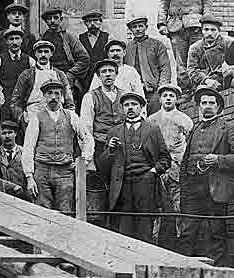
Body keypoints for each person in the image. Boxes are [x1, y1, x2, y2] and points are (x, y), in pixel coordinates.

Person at [99, 92, 170, 243]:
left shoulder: (152, 129)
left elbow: (165, 159)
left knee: (144, 227)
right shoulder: (114, 131)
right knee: (124, 229)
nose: (130, 108)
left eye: (134, 104)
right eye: (126, 105)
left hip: (146, 184)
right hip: (122, 185)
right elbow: (103, 165)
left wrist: (153, 171)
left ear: (141, 107)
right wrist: (110, 150)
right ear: (122, 108)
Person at [179, 87, 234, 266]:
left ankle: (217, 271)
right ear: (199, 106)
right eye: (204, 103)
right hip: (193, 188)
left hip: (215, 187)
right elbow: (185, 160)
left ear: (218, 107)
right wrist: (184, 186)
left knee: (216, 232)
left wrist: (218, 159)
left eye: (212, 103)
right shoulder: (194, 129)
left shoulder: (228, 128)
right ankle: (185, 268)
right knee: (188, 231)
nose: (207, 106)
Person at [22, 79, 94, 215]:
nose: (53, 97)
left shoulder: (71, 116)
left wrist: (84, 160)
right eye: (49, 93)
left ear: (62, 96)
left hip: (65, 172)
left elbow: (87, 138)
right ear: (44, 96)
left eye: (57, 93)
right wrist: (29, 177)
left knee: (65, 212)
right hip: (42, 171)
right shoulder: (37, 117)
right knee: (41, 213)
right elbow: (28, 148)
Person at [147, 84, 193, 240]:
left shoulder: (184, 119)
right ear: (160, 99)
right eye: (165, 95)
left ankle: (180, 240)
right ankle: (154, 240)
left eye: (171, 96)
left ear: (177, 99)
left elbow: (190, 144)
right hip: (157, 168)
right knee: (156, 206)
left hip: (176, 169)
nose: (168, 98)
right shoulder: (151, 120)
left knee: (178, 206)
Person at [125, 0, 177, 83]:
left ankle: (168, 88)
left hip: (161, 35)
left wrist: (168, 28)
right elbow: (128, 17)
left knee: (166, 63)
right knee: (145, 65)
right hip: (143, 37)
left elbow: (169, 9)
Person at [10, 40, 75, 127]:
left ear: (51, 54)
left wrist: (69, 119)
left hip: (57, 117)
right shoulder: (27, 74)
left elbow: (69, 101)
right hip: (33, 116)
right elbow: (15, 102)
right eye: (40, 52)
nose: (43, 55)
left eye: (46, 52)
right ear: (35, 54)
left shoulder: (60, 74)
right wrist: (22, 118)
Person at [40, 6, 90, 107]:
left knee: (68, 105)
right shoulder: (42, 39)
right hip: (48, 76)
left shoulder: (69, 37)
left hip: (66, 77)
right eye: (49, 19)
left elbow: (84, 58)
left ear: (61, 19)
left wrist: (71, 73)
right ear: (45, 21)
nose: (52, 21)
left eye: (55, 18)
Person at [80, 59, 124, 172]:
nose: (108, 74)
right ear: (98, 76)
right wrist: (89, 156)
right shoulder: (90, 97)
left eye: (111, 71)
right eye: (104, 71)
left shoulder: (124, 95)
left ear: (116, 74)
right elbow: (86, 128)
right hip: (101, 145)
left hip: (122, 144)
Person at [125, 16, 171, 115]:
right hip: (133, 92)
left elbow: (165, 68)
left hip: (152, 92)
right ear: (130, 29)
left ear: (146, 27)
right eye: (134, 27)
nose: (138, 29)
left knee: (154, 118)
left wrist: (161, 89)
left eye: (140, 26)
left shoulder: (157, 45)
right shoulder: (127, 48)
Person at [0, 26, 35, 122]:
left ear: (22, 40)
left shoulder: (30, 61)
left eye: (17, 39)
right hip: (5, 105)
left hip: (22, 105)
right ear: (6, 42)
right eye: (11, 39)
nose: (14, 42)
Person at [187, 15, 234, 92]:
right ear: (201, 31)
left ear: (219, 31)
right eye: (206, 29)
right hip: (206, 82)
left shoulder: (229, 43)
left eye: (213, 30)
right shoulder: (195, 48)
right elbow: (192, 70)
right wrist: (206, 80)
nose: (209, 33)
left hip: (227, 80)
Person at [0, 120, 31, 200]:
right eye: (4, 133)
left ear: (15, 133)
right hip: (2, 197)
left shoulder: (24, 153)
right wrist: (11, 187)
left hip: (23, 198)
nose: (7, 136)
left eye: (10, 132)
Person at [78, 10, 110, 86]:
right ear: (85, 23)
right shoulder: (80, 38)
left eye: (95, 20)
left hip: (102, 75)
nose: (92, 24)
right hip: (85, 76)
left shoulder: (107, 37)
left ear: (100, 22)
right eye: (89, 21)